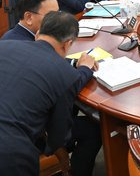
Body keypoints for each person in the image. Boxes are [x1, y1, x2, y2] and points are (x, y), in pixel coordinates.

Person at [0, 11, 99, 175]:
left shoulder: (5, 44)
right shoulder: (63, 73)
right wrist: (59, 153)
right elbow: (59, 137)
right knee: (91, 130)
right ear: (68, 44)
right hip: (11, 155)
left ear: (38, 33)